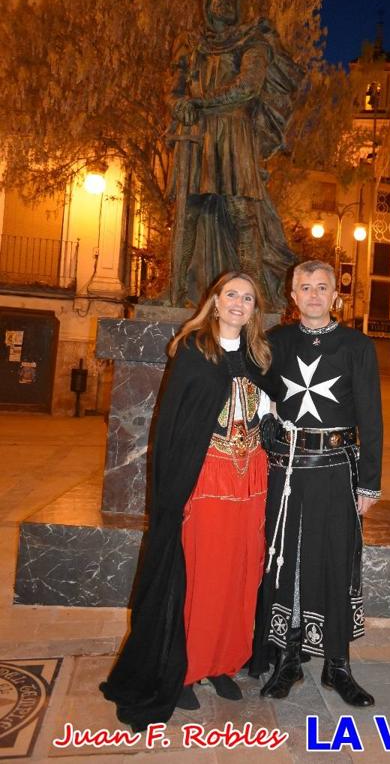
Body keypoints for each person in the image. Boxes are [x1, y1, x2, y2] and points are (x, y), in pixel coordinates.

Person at [100, 272, 272, 731]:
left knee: (240, 571)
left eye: (248, 298)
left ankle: (222, 662)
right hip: (206, 478)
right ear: (214, 302)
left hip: (251, 481)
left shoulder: (259, 356)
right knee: (201, 573)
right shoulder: (195, 350)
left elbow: (266, 409)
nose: (239, 303)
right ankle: (186, 670)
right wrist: (176, 491)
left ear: (255, 309)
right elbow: (177, 425)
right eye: (231, 295)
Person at [250, 260, 383, 707]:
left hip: (337, 470)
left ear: (335, 294)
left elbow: (372, 418)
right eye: (304, 287)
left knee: (336, 559)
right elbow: (257, 386)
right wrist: (265, 417)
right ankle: (288, 657)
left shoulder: (357, 345)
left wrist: (369, 485)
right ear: (292, 295)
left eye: (321, 287)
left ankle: (337, 664)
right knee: (285, 560)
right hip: (285, 470)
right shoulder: (275, 341)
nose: (312, 294)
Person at [168, 0, 302, 309]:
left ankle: (255, 295)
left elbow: (248, 86)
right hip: (197, 136)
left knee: (242, 215)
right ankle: (176, 293)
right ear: (208, 3)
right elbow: (172, 88)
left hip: (234, 133)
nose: (225, 0)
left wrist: (199, 103)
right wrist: (178, 104)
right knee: (188, 216)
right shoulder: (192, 43)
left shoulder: (252, 41)